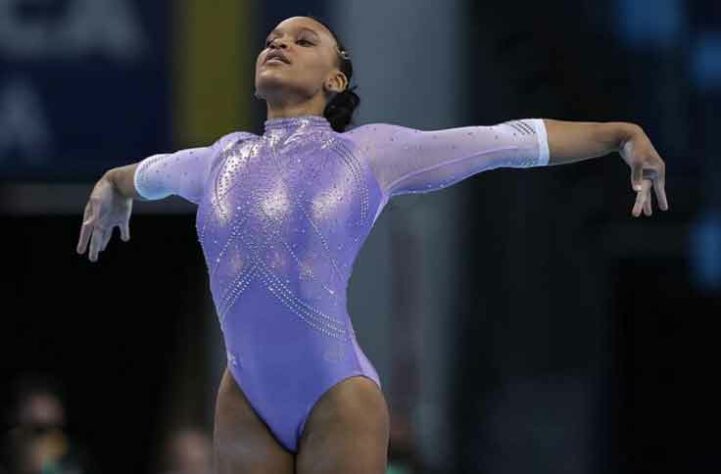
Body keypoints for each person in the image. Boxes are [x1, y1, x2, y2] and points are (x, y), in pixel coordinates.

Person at [75, 14, 669, 474]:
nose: (279, 43)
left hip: (337, 395)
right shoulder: (220, 158)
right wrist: (112, 185)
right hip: (243, 398)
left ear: (336, 80)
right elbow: (147, 174)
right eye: (274, 38)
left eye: (304, 40)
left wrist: (621, 136)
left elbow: (507, 141)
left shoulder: (368, 154)